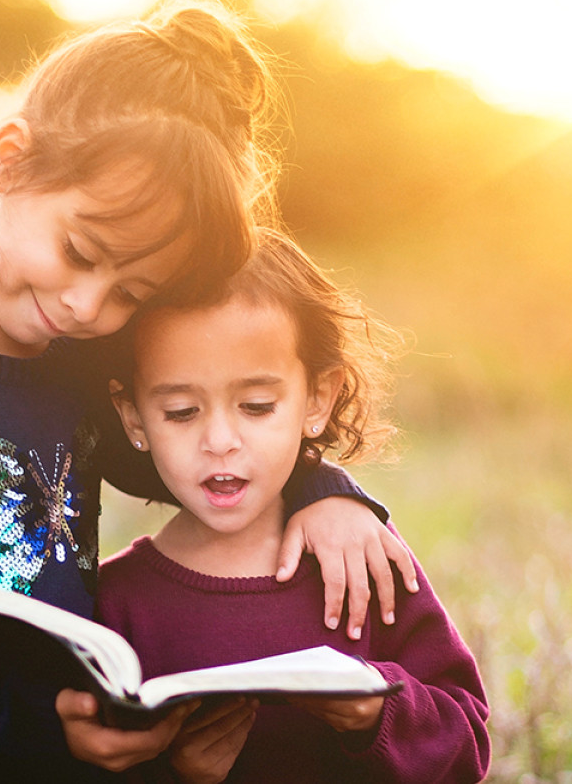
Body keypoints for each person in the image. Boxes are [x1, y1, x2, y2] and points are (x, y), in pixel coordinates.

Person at [0, 0, 416, 782]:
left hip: (42, 752)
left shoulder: (69, 346)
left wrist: (326, 491)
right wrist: (34, 723)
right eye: (81, 251)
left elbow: (190, 459)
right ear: (11, 159)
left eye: (131, 292)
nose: (90, 306)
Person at [99, 233, 490, 783]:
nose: (219, 440)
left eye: (256, 406)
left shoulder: (360, 556)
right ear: (135, 417)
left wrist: (376, 714)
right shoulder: (118, 602)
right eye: (181, 411)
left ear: (317, 400)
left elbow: (468, 743)